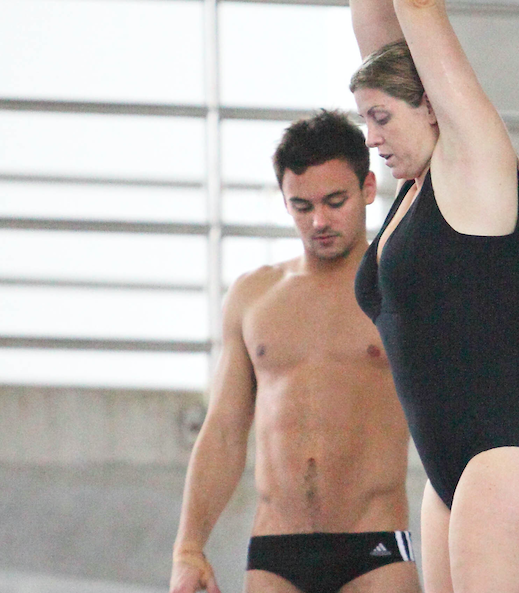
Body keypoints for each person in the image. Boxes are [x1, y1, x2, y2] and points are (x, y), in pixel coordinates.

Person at [348, 0, 519, 592]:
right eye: (364, 120)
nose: (370, 138)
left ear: (431, 105)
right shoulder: (416, 184)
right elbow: (380, 30)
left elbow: (419, 7)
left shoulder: (470, 160)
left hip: (508, 450)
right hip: (450, 471)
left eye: (380, 117)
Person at [169, 110, 421, 593]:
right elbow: (222, 431)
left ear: (369, 188)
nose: (320, 221)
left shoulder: (400, 289)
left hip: (375, 550)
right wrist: (188, 547)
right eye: (302, 206)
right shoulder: (253, 297)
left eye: (335, 201)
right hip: (276, 554)